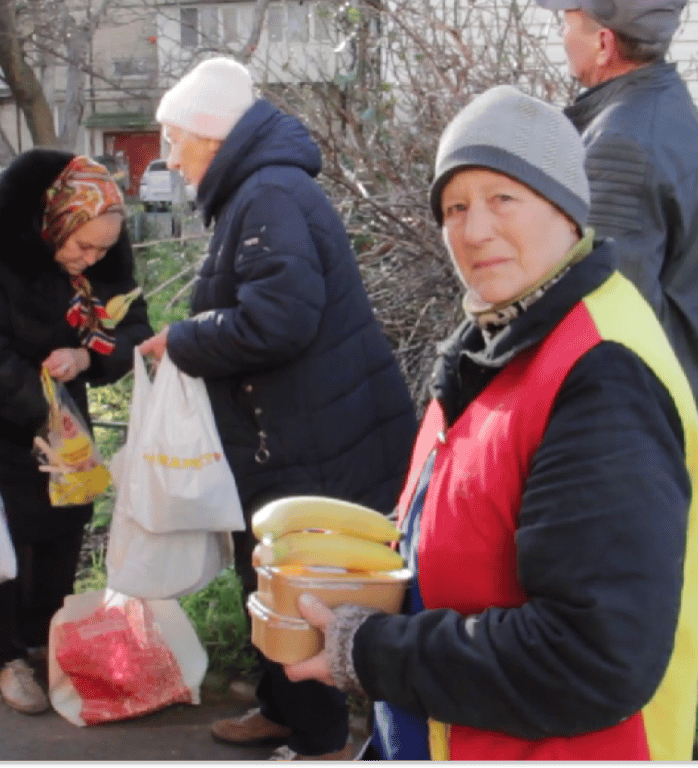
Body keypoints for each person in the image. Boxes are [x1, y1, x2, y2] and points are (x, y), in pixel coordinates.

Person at [280, 86, 698, 761]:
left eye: (503, 196)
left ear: (566, 209)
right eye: (455, 207)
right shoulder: (496, 346)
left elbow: (592, 656)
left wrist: (367, 650)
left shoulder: (602, 375)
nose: (474, 230)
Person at [137, 57, 418, 761]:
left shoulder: (267, 196)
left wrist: (184, 340)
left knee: (302, 584)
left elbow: (280, 319)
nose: (170, 158)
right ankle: (283, 707)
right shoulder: (256, 191)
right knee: (269, 576)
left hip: (318, 440)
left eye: (174, 140)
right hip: (295, 432)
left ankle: (320, 738)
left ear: (210, 135)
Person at [0, 148, 153, 714]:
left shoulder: (100, 264)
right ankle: (3, 658)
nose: (89, 260)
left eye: (103, 250)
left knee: (62, 531)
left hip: (66, 432)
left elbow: (134, 329)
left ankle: (45, 639)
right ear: (52, 223)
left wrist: (89, 357)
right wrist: (50, 415)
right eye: (80, 245)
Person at [539, 0, 698, 426]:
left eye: (566, 24)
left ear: (604, 43)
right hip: (653, 412)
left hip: (623, 425)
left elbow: (606, 308)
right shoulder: (664, 109)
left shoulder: (621, 143)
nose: (562, 37)